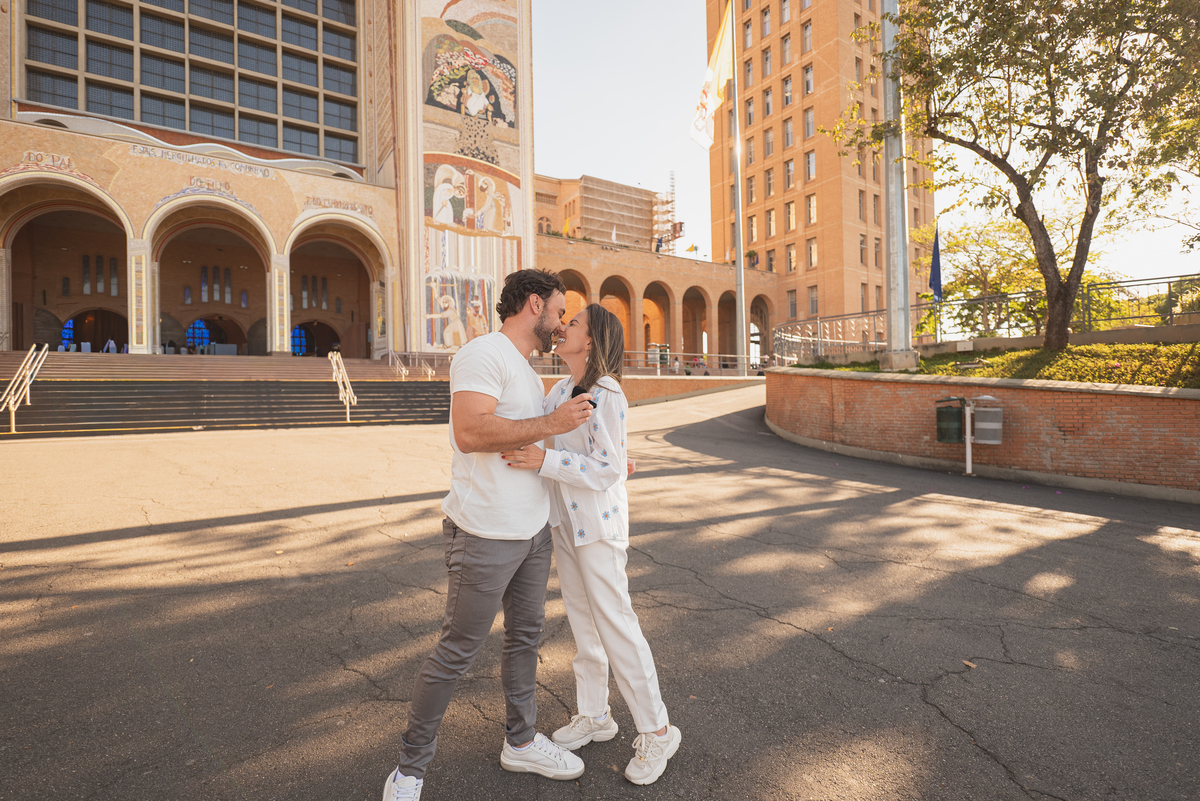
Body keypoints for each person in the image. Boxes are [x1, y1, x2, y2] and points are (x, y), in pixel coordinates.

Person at [383, 269, 597, 801]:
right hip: (483, 533)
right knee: (457, 651)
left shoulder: (527, 371)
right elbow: (471, 431)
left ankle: (520, 742)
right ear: (533, 305)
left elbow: (536, 447)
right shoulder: (484, 353)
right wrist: (551, 425)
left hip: (532, 534)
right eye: (559, 308)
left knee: (525, 640)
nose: (562, 319)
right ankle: (409, 771)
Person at [501, 304, 681, 786]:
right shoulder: (560, 390)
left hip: (599, 529)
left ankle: (658, 729)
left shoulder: (607, 392)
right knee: (585, 627)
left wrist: (547, 462)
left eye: (573, 323)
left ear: (592, 340)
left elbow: (603, 469)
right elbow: (557, 442)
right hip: (565, 525)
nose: (562, 328)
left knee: (617, 625)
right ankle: (596, 714)